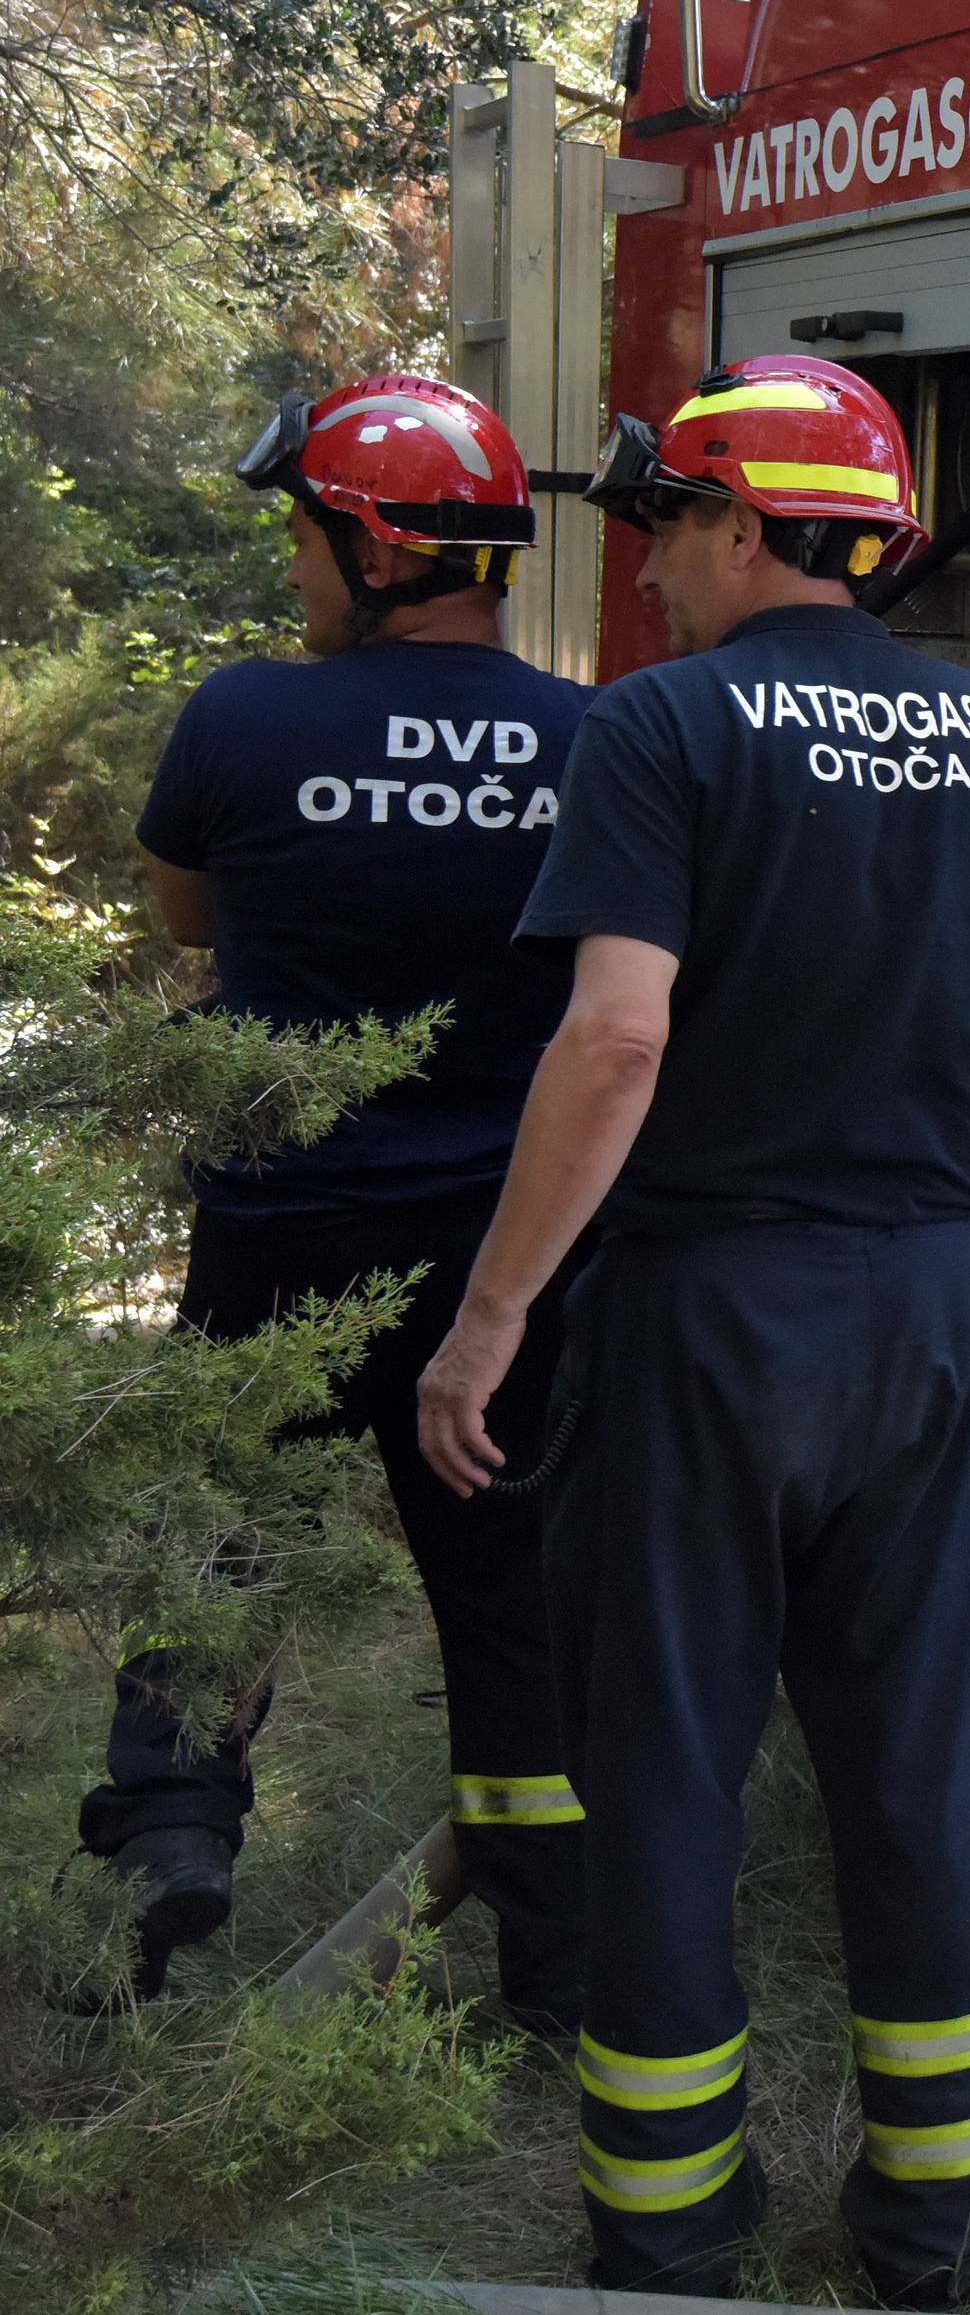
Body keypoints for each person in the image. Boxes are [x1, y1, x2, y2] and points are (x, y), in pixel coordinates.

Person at [417, 354, 970, 2306]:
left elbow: (619, 1036)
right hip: (924, 1307)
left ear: (749, 528)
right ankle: (939, 2228)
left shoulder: (659, 733)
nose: (649, 567)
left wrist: (488, 1316)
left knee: (663, 1762)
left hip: (703, 1312)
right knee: (916, 1760)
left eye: (669, 526)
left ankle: (670, 2229)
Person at [78, 374, 594, 2029]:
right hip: (498, 1267)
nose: (293, 570)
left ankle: (168, 1833)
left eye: (304, 535)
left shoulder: (242, 717)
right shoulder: (587, 743)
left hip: (278, 1241)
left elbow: (183, 921)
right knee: (516, 1608)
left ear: (372, 549)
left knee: (221, 1547)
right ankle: (556, 1954)